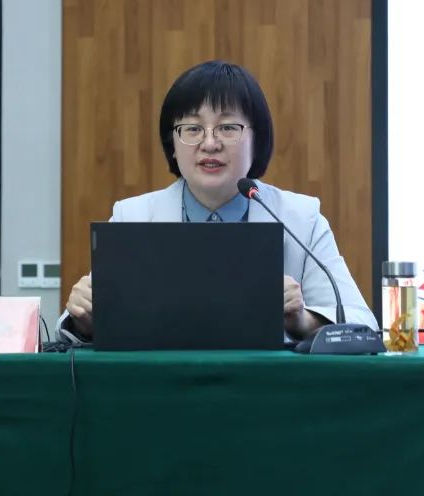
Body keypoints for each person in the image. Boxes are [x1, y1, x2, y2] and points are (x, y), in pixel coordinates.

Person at [59, 60, 376, 343]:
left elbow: (360, 325)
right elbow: (84, 324)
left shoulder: (301, 219)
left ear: (257, 140)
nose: (209, 143)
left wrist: (302, 320)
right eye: (192, 129)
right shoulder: (133, 217)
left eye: (227, 127)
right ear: (173, 144)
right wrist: (85, 318)